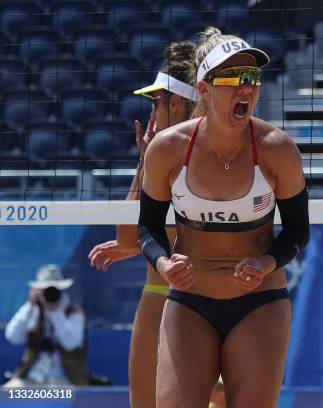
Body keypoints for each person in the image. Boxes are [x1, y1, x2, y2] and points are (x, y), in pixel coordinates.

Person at [138, 27, 309, 407]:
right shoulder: (169, 149)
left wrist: (266, 262)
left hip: (259, 303)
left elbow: (298, 230)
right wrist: (164, 264)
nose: (245, 87)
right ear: (204, 88)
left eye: (252, 77)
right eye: (232, 78)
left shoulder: (277, 149)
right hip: (190, 301)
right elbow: (147, 227)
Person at [88, 41, 199, 407]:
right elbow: (128, 235)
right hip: (163, 299)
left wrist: (132, 244)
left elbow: (134, 238)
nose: (151, 112)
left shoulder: (210, 158)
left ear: (177, 104)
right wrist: (145, 161)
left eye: (156, 103)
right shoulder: (160, 159)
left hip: (203, 304)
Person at [3, 264, 89, 387]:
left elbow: (71, 344)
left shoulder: (74, 312)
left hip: (66, 380)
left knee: (60, 396)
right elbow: (12, 337)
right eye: (46, 290)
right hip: (32, 378)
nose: (50, 294)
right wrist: (30, 305)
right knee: (8, 394)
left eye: (54, 290)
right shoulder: (33, 310)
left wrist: (55, 312)